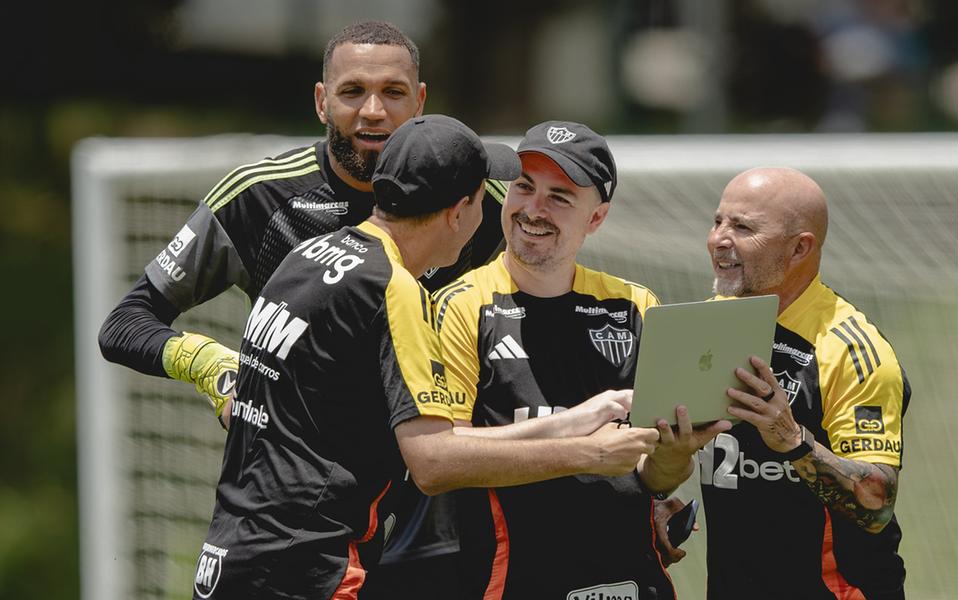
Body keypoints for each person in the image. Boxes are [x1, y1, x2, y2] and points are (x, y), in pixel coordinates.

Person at [192, 114, 662, 599]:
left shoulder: (310, 255)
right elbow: (434, 461)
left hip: (231, 554)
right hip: (308, 568)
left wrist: (573, 421)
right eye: (486, 197)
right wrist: (590, 452)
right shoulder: (395, 290)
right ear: (459, 213)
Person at [97, 20, 507, 426]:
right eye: (353, 91)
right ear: (321, 101)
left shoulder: (477, 198)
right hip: (298, 462)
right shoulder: (258, 197)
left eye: (393, 92)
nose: (373, 111)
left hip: (433, 455)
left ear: (419, 102)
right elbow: (127, 321)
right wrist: (215, 368)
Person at [434, 121, 729, 600]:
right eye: (524, 187)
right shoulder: (461, 305)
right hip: (507, 581)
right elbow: (444, 456)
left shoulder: (635, 306)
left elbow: (654, 475)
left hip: (628, 580)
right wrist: (581, 438)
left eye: (559, 197)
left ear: (596, 218)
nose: (533, 209)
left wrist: (675, 455)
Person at [690, 167, 910, 599]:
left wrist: (792, 441)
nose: (719, 239)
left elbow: (877, 504)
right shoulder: (710, 322)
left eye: (743, 227)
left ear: (799, 248)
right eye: (718, 221)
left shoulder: (850, 349)